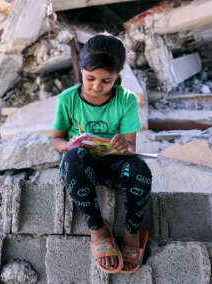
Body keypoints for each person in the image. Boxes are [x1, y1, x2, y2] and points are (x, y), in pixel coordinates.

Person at [52, 33, 152, 274]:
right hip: (82, 168)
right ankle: (97, 229)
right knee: (74, 158)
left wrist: (122, 145)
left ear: (117, 76)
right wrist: (67, 146)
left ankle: (131, 233)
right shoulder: (67, 99)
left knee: (141, 170)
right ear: (81, 71)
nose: (97, 86)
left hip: (113, 166)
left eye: (106, 81)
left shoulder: (126, 100)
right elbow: (56, 138)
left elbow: (131, 149)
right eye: (90, 78)